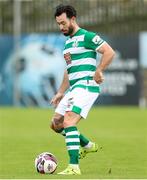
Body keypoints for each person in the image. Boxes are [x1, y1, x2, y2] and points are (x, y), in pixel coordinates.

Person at [50, 4, 115, 175]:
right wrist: (60, 92)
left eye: (63, 23)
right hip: (74, 88)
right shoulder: (68, 43)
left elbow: (109, 52)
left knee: (69, 121)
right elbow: (68, 70)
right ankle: (87, 145)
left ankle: (74, 167)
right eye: (58, 24)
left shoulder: (87, 36)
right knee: (56, 124)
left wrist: (99, 70)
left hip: (86, 85)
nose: (61, 27)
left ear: (73, 19)